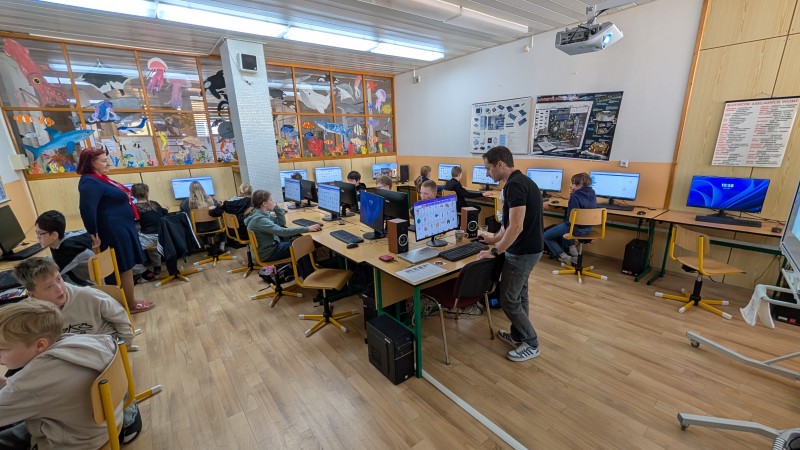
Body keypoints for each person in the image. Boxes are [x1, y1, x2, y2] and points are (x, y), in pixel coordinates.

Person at [0, 300, 119, 450]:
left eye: (2, 349)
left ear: (40, 345)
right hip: (104, 426)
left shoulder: (27, 384)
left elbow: (26, 390)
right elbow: (32, 391)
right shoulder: (85, 341)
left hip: (72, 443)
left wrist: (10, 386)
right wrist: (6, 384)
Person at [477, 146, 543, 363]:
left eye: (488, 168)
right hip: (529, 248)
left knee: (508, 299)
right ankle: (519, 335)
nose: (487, 173)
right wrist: (493, 239)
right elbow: (508, 224)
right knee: (520, 295)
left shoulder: (514, 186)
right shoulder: (521, 182)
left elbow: (516, 227)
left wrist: (495, 251)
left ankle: (531, 343)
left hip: (522, 251)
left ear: (500, 164)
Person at [77, 148, 153, 314]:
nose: (108, 163)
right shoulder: (90, 182)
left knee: (126, 266)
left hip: (122, 227)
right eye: (104, 161)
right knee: (124, 267)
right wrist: (93, 233)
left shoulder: (100, 179)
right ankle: (130, 305)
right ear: (91, 163)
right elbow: (87, 210)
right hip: (113, 231)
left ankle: (127, 301)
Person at [244, 190, 322, 262]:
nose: (273, 202)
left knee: (300, 240)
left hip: (269, 249)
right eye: (271, 200)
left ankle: (304, 267)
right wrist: (307, 228)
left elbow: (281, 222)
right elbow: (282, 232)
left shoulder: (260, 214)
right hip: (269, 253)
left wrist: (276, 208)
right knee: (304, 243)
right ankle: (309, 270)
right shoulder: (259, 220)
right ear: (264, 204)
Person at [543, 172, 597, 265]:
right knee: (564, 227)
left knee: (546, 236)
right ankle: (575, 255)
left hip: (576, 228)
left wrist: (572, 195)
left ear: (580, 185)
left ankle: (565, 257)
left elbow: (571, 218)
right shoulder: (593, 193)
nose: (571, 186)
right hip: (588, 228)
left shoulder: (575, 196)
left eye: (573, 183)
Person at [34, 210, 95, 286]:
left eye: (40, 233)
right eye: (36, 233)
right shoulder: (60, 240)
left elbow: (51, 274)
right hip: (81, 275)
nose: (37, 237)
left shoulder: (68, 250)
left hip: (89, 284)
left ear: (54, 235)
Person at [131, 183, 168, 278]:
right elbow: (164, 212)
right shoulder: (155, 204)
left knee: (130, 250)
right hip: (163, 236)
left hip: (149, 238)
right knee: (151, 245)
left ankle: (143, 271)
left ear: (133, 195)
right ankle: (157, 267)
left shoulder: (135, 207)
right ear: (147, 192)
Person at [180, 181, 222, 254]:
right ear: (202, 188)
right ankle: (222, 244)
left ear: (190, 190)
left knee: (197, 224)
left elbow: (183, 212)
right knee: (224, 222)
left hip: (199, 229)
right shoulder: (211, 199)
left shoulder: (187, 202)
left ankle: (206, 245)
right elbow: (219, 206)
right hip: (215, 227)